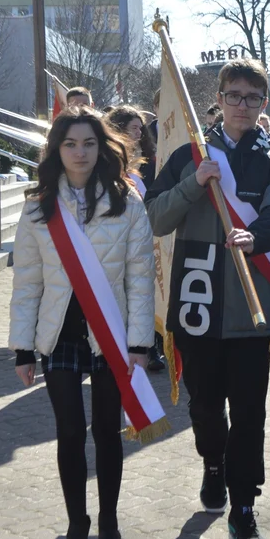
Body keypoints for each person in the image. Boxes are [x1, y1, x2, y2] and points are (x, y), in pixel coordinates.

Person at [145, 58, 270, 539]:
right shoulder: (191, 154)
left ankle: (244, 508)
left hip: (252, 308)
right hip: (197, 302)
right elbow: (157, 218)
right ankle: (213, 462)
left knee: (250, 412)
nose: (242, 106)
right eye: (234, 95)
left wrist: (257, 237)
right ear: (219, 97)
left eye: (253, 98)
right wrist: (195, 181)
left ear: (263, 104)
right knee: (206, 406)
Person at [9, 107, 154, 539]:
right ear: (56, 148)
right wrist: (23, 347)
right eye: (70, 144)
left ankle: (108, 525)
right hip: (60, 338)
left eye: (89, 143)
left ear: (103, 147)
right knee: (70, 433)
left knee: (107, 432)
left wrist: (139, 341)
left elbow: (140, 279)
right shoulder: (38, 206)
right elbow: (27, 282)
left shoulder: (127, 202)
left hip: (110, 336)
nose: (80, 152)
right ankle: (77, 527)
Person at [106, 106, 167, 373]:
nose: (140, 133)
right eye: (134, 128)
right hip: (119, 245)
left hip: (147, 239)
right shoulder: (107, 165)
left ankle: (151, 346)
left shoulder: (145, 162)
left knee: (148, 294)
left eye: (141, 128)